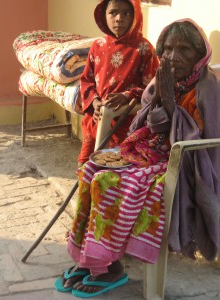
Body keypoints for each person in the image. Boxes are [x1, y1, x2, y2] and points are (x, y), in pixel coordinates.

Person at [54, 18, 220, 298]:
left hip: (185, 163)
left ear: (199, 54)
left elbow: (202, 143)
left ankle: (111, 266)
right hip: (150, 150)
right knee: (93, 167)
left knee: (111, 181)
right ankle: (91, 257)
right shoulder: (162, 79)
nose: (173, 57)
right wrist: (160, 100)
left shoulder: (208, 87)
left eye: (184, 50)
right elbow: (144, 122)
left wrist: (169, 104)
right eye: (168, 49)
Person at [77, 0, 159, 166]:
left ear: (136, 15)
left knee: (117, 166)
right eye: (113, 12)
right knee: (87, 164)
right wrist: (95, 102)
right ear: (103, 15)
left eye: (126, 13)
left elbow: (152, 88)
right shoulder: (97, 46)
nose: (119, 18)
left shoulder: (144, 48)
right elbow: (87, 80)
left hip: (127, 123)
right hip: (96, 118)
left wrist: (127, 96)